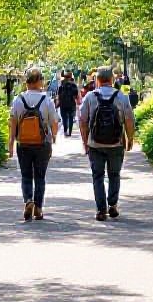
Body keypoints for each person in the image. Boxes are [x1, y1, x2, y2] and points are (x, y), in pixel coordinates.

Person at [79, 66, 136, 222]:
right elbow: (129, 119)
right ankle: (113, 205)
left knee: (97, 176)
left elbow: (82, 121)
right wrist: (130, 138)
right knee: (114, 174)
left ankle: (101, 210)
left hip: (95, 144)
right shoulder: (121, 96)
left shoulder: (90, 97)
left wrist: (85, 141)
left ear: (97, 80)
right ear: (112, 79)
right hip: (116, 143)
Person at [9, 67, 58, 221]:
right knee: (40, 176)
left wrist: (11, 143)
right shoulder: (47, 100)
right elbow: (54, 122)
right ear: (40, 81)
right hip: (42, 143)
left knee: (26, 175)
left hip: (23, 143)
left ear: (27, 82)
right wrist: (54, 136)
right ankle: (38, 208)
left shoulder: (18, 99)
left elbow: (13, 122)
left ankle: (28, 200)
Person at [56, 70, 80, 137]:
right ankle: (70, 132)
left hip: (63, 104)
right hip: (71, 104)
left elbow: (59, 95)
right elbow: (76, 95)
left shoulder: (61, 84)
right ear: (70, 77)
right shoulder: (73, 84)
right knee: (71, 118)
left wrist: (58, 103)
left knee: (64, 118)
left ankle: (65, 131)